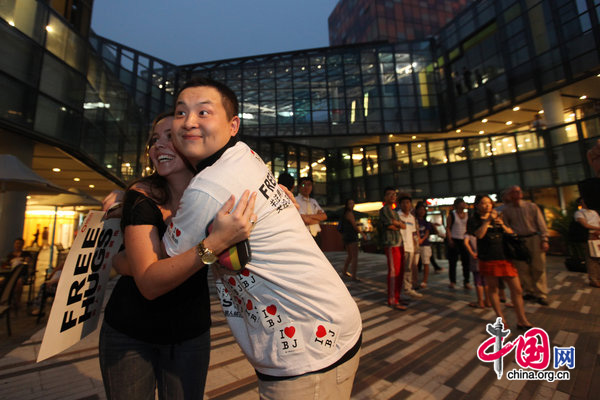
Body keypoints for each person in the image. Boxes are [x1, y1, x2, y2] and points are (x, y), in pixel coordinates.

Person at [163, 77, 362, 399]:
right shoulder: (244, 154)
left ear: (233, 125)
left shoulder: (208, 188)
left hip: (306, 349)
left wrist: (134, 204)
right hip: (327, 320)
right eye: (181, 112)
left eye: (203, 113)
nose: (189, 123)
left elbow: (165, 261)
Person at [99, 112, 257, 400]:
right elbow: (145, 279)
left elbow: (127, 263)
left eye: (169, 137)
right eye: (153, 140)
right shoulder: (141, 194)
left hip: (189, 332)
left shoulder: (215, 196)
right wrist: (212, 246)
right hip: (129, 331)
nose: (157, 146)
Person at [467, 195, 533, 329]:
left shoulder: (499, 217)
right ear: (477, 206)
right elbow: (479, 235)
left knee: (517, 289)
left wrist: (501, 224)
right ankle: (501, 319)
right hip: (488, 257)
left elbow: (510, 233)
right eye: (483, 203)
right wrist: (487, 221)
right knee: (493, 288)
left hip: (504, 256)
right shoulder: (474, 220)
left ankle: (522, 319)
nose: (487, 205)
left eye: (489, 203)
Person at [501, 185, 550, 306]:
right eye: (513, 192)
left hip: (533, 238)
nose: (516, 194)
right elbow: (506, 227)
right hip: (518, 241)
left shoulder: (531, 207)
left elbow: (541, 224)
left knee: (538, 266)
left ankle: (541, 293)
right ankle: (529, 291)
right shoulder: (507, 210)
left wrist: (544, 239)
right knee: (522, 268)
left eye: (518, 191)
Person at [379, 187, 407, 310]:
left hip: (399, 243)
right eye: (389, 194)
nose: (392, 196)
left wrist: (397, 224)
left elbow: (403, 225)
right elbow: (389, 224)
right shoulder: (384, 210)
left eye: (394, 194)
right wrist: (397, 224)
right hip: (391, 243)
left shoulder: (395, 211)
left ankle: (397, 296)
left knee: (400, 271)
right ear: (385, 197)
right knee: (394, 271)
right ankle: (392, 299)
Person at [397, 195, 422, 298]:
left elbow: (413, 234)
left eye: (408, 202)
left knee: (408, 269)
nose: (406, 205)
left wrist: (415, 247)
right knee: (399, 269)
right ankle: (398, 290)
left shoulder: (412, 218)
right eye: (403, 202)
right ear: (400, 204)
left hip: (410, 247)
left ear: (411, 205)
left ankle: (407, 288)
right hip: (399, 246)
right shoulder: (397, 216)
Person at [574, 197, 600, 288]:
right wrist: (597, 229)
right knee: (591, 258)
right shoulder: (579, 213)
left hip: (598, 235)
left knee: (598, 258)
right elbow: (585, 224)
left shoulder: (594, 212)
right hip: (589, 236)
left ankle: (598, 277)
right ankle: (594, 279)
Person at [0, 238, 33, 307]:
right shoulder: (10, 255)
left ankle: (17, 301)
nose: (18, 245)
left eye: (19, 243)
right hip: (10, 274)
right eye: (16, 243)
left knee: (18, 282)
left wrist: (24, 260)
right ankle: (5, 299)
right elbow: (7, 264)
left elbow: (29, 263)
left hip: (22, 274)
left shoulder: (26, 254)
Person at [446, 198, 471, 289]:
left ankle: (466, 281)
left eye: (464, 203)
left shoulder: (468, 214)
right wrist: (450, 239)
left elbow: (469, 227)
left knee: (466, 261)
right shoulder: (452, 215)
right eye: (462, 203)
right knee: (452, 262)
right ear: (457, 205)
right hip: (454, 239)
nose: (464, 204)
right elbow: (448, 228)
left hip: (464, 240)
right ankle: (452, 281)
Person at [296, 176, 327, 247]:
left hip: (317, 234)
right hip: (305, 235)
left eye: (309, 185)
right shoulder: (296, 201)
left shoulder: (313, 201)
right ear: (299, 187)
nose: (306, 187)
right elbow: (306, 220)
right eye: (303, 185)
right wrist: (317, 219)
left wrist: (308, 216)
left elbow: (324, 216)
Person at [464, 231, 489, 308]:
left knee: (478, 281)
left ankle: (480, 301)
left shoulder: (469, 233)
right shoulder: (484, 230)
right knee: (486, 281)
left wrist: (472, 253)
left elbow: (466, 243)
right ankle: (488, 301)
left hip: (475, 258)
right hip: (485, 257)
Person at [340, 198, 361, 281]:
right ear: (347, 205)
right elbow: (354, 226)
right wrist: (363, 234)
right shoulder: (349, 213)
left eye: (353, 203)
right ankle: (354, 276)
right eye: (350, 203)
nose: (352, 205)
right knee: (354, 256)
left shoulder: (344, 213)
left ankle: (344, 271)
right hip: (352, 237)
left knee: (350, 255)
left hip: (346, 236)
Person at [415, 201, 435, 289]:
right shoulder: (414, 221)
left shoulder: (427, 223)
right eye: (420, 209)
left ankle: (424, 281)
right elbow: (415, 231)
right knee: (414, 263)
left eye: (423, 210)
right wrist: (419, 239)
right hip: (416, 244)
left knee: (426, 262)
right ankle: (414, 280)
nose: (422, 211)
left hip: (425, 244)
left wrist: (422, 239)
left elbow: (427, 232)